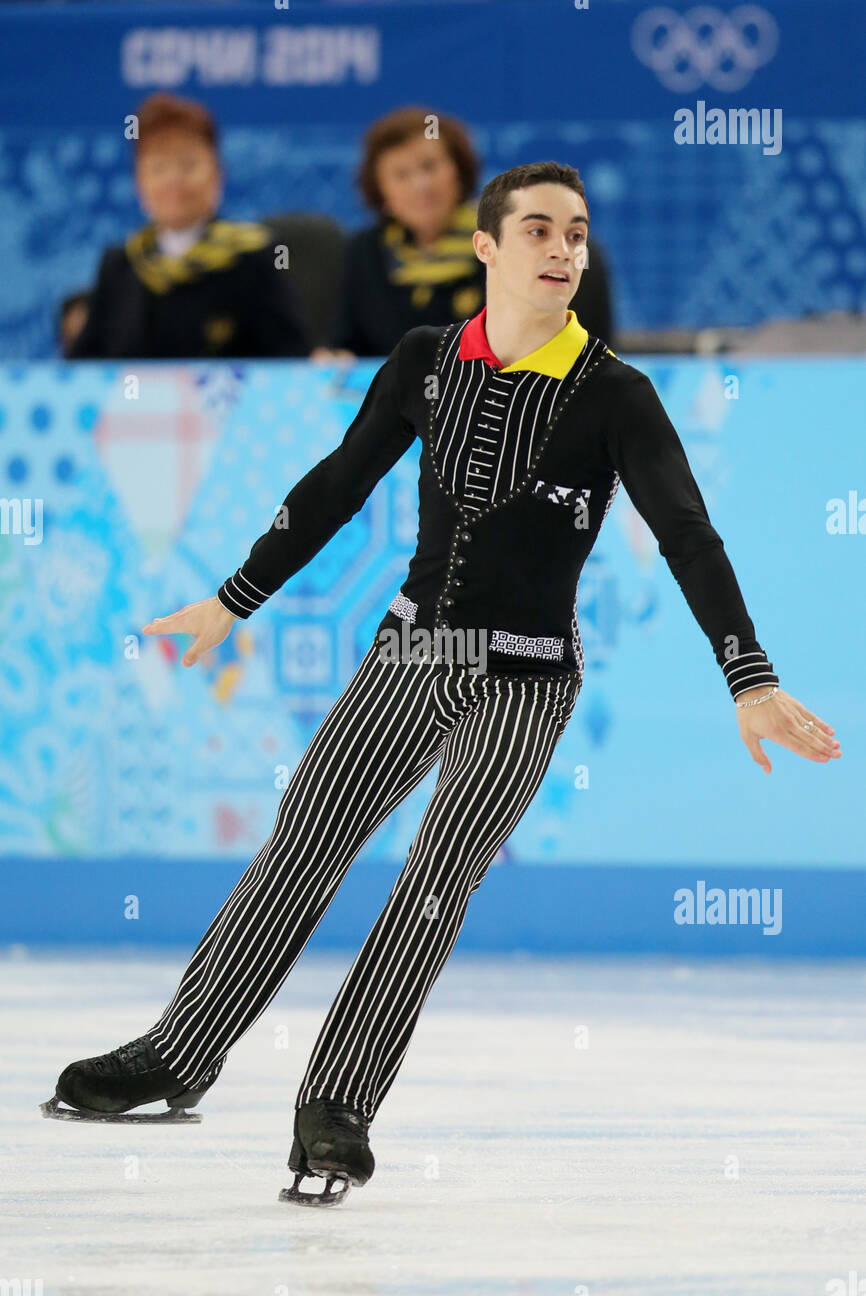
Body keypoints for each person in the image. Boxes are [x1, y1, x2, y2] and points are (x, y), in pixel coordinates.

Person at [44, 162, 840, 1207]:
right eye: (541, 231)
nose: (564, 251)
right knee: (300, 846)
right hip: (406, 656)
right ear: (487, 247)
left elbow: (687, 537)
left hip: (524, 679)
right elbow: (336, 482)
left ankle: (336, 1108)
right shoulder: (424, 362)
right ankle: (177, 1054)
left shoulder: (613, 394)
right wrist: (235, 598)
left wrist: (748, 674)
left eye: (578, 233)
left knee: (433, 882)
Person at [312, 107, 615, 364]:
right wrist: (336, 359)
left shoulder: (509, 240)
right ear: (382, 192)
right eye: (401, 175)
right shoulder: (365, 250)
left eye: (429, 167)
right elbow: (347, 346)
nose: (421, 185)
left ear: (459, 172)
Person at [64, 93, 310, 360]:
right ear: (139, 181)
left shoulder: (254, 257)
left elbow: (292, 361)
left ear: (217, 174)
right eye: (158, 167)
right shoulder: (121, 265)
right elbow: (86, 370)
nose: (173, 180)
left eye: (188, 165)